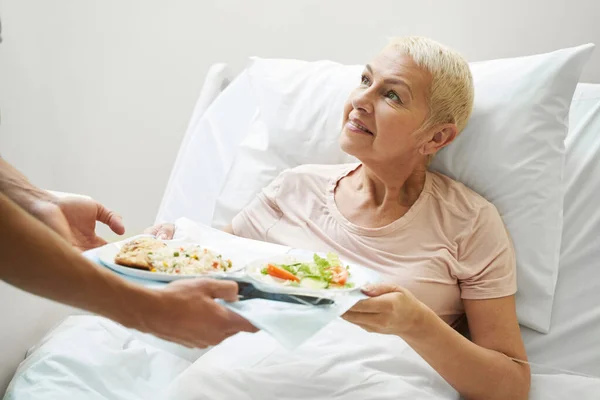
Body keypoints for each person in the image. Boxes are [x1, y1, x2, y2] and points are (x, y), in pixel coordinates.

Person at [149, 37, 531, 399]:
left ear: (436, 138)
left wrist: (416, 323)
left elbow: (510, 386)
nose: (361, 99)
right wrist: (173, 251)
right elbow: (219, 268)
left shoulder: (469, 222)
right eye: (365, 80)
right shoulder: (295, 189)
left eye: (392, 95)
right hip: (244, 376)